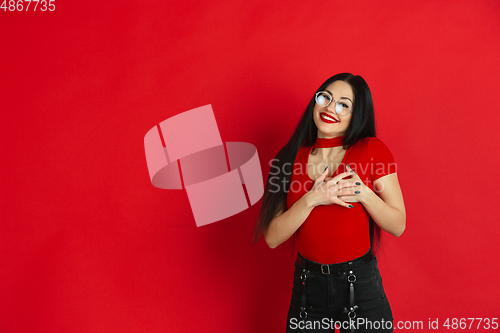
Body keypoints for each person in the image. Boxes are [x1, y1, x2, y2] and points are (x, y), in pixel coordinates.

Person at [253, 73, 406, 332]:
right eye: (325, 98)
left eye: (343, 104)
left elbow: (398, 225)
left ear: (356, 114)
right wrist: (313, 198)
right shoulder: (287, 159)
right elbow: (272, 237)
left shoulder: (372, 150)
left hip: (360, 286)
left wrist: (364, 194)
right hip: (307, 288)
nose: (329, 108)